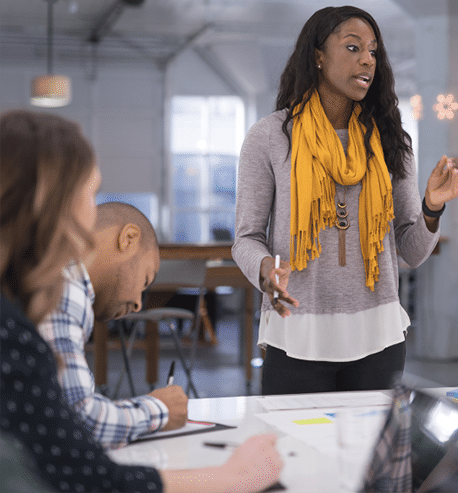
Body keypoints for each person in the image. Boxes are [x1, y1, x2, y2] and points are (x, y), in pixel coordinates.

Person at [0, 109, 283, 493]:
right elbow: (81, 462)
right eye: (90, 194)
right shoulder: (34, 314)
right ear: (53, 203)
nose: (92, 216)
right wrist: (230, 477)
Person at [233, 6, 458, 395]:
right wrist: (265, 269)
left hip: (379, 336)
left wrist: (432, 208)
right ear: (318, 56)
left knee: (373, 438)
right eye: (353, 47)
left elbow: (410, 252)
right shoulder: (271, 137)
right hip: (298, 332)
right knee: (295, 437)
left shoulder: (390, 140)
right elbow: (247, 237)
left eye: (373, 51)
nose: (367, 60)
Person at [37, 201, 189, 449]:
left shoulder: (55, 276)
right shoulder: (65, 288)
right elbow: (80, 421)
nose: (138, 304)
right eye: (144, 282)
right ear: (128, 239)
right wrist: (160, 409)